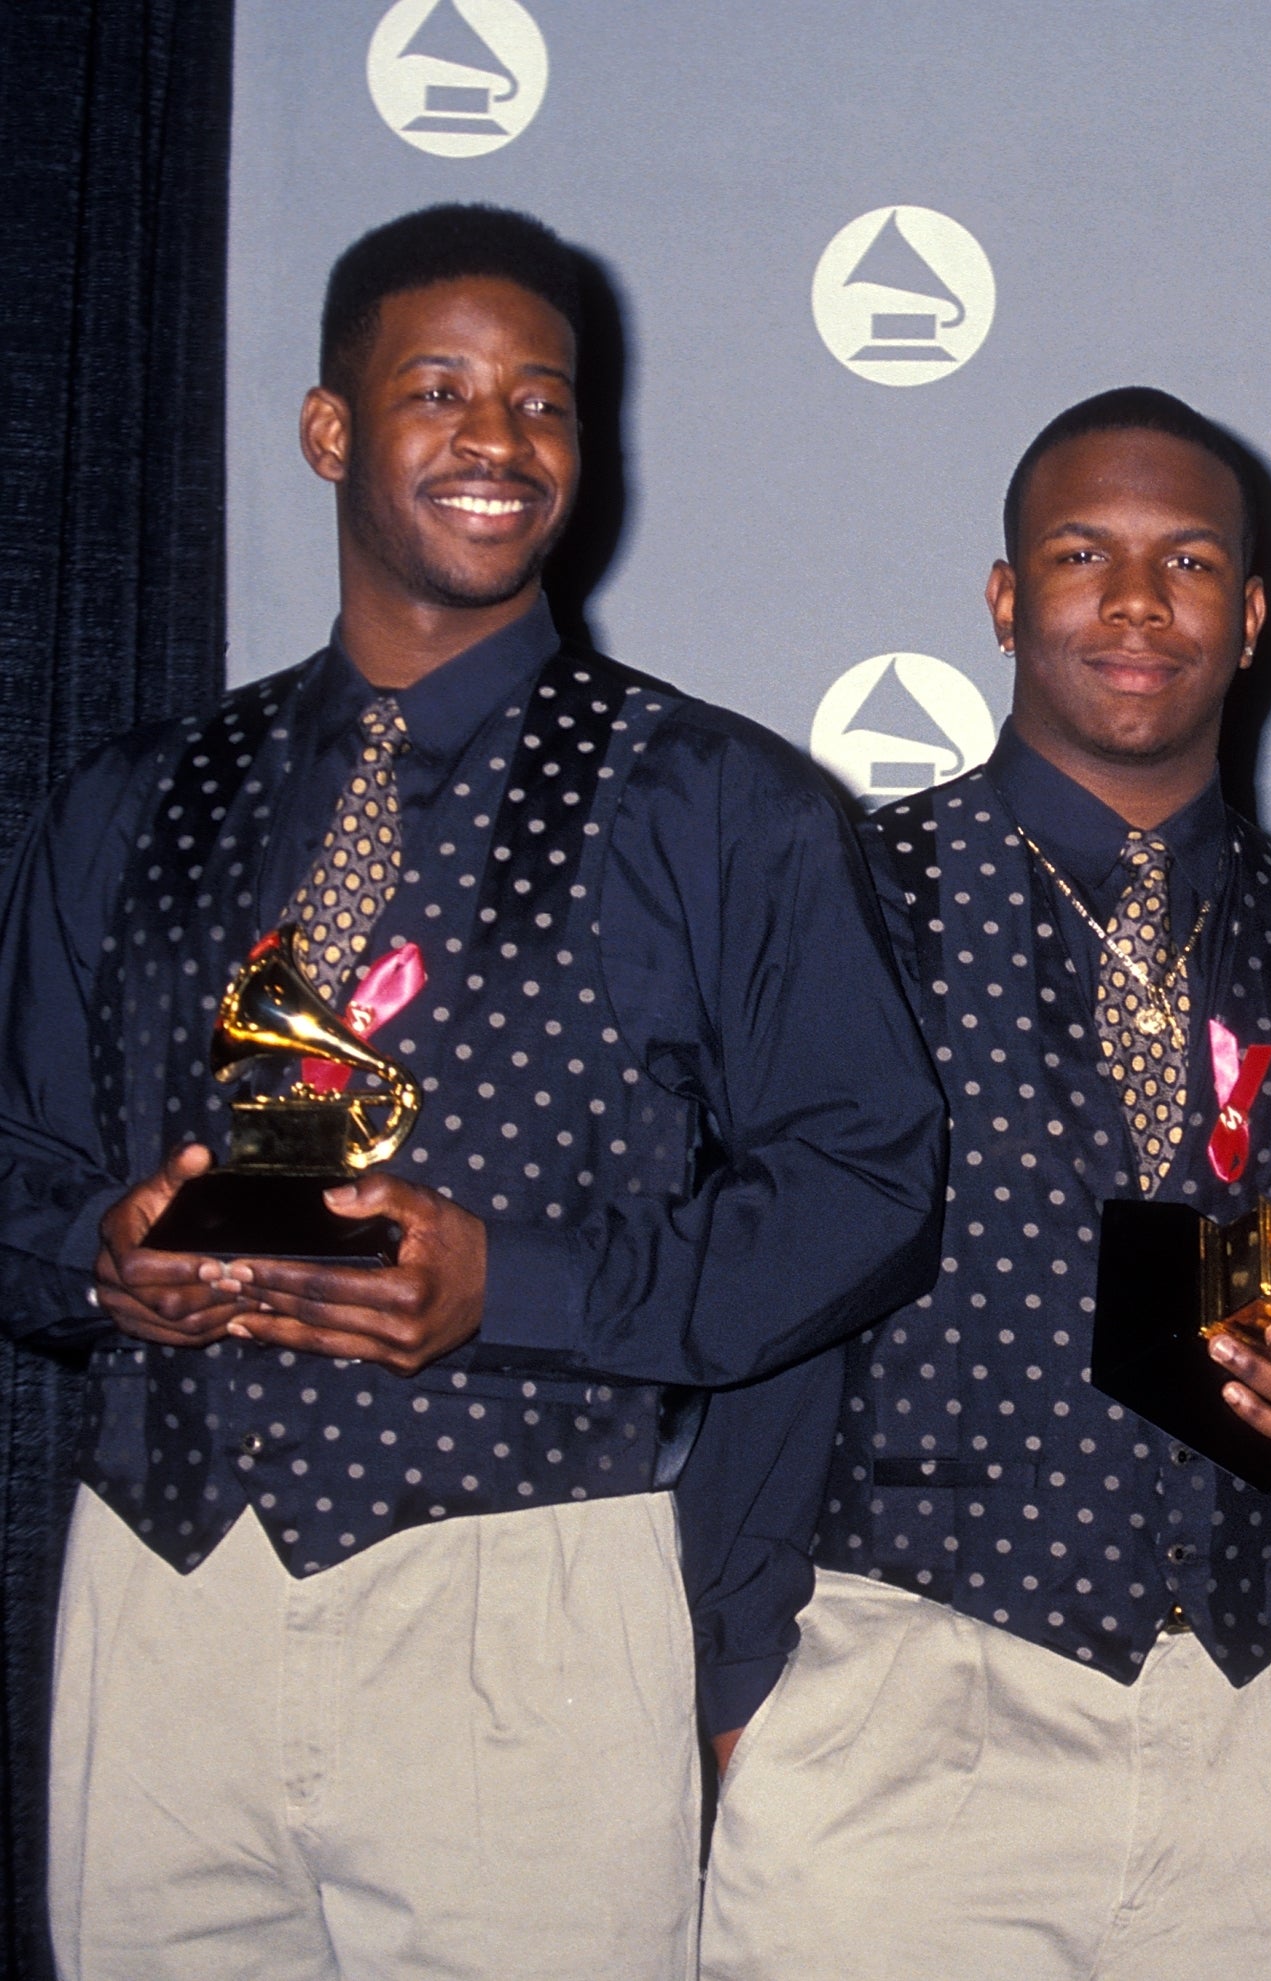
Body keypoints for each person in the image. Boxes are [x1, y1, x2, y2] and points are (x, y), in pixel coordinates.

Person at [0, 204, 945, 1978]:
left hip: (526, 1599)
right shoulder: (133, 794)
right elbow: (18, 1161)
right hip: (165, 1586)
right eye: (442, 390)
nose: (501, 439)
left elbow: (867, 1187)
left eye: (545, 401)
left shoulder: (720, 803)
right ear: (331, 430)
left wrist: (516, 1286)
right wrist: (94, 1255)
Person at [696, 387, 1271, 1980]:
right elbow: (753, 1311)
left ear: (1250, 619)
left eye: (1186, 561)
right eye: (1080, 553)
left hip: (1240, 1724)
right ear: (1002, 596)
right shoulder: (850, 905)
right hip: (899, 1694)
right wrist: (735, 1687)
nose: (1133, 599)